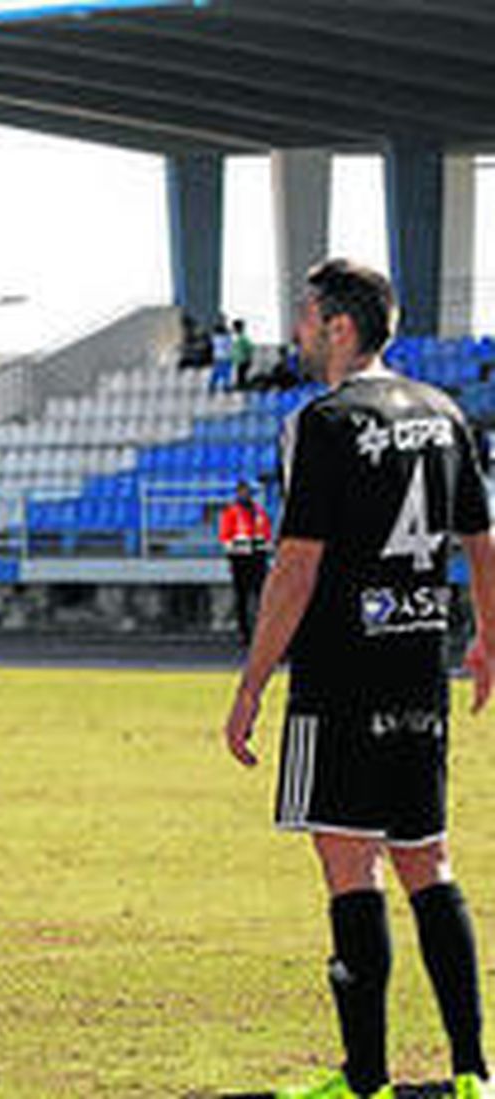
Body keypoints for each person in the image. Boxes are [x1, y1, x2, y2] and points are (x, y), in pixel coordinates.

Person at [224, 259, 495, 1099]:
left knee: (350, 867)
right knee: (428, 861)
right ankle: (473, 1070)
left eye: (306, 316)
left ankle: (366, 1076)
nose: (298, 331)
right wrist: (486, 636)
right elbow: (482, 542)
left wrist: (252, 681)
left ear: (341, 326)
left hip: (341, 670)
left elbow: (296, 567)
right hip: (419, 663)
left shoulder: (323, 420)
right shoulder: (445, 415)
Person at [217, 480, 271, 647]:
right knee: (242, 598)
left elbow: (266, 535)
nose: (246, 493)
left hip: (258, 559)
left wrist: (261, 547)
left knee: (262, 598)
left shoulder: (259, 512)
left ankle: (262, 634)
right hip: (240, 560)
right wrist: (240, 548)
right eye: (243, 491)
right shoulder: (231, 512)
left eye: (248, 491)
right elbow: (225, 537)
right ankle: (245, 634)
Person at [230, 317, 255, 390]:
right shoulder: (240, 337)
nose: (233, 329)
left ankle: (242, 386)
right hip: (241, 359)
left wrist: (247, 357)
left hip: (244, 359)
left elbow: (250, 348)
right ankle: (241, 385)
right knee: (240, 374)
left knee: (241, 374)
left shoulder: (243, 337)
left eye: (234, 327)